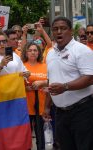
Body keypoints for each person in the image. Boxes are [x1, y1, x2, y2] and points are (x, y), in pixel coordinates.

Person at [44, 16, 93, 150]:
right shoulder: (50, 54)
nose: (59, 32)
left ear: (71, 31)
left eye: (63, 28)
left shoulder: (82, 50)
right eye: (55, 29)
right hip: (60, 113)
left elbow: (89, 78)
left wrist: (65, 87)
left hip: (82, 111)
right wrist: (47, 106)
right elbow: (51, 81)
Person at [21, 42, 47, 150]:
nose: (33, 52)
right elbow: (14, 84)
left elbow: (52, 81)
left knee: (40, 136)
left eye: (35, 50)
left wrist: (43, 83)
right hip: (25, 107)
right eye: (30, 50)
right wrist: (24, 88)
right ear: (26, 53)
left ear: (39, 52)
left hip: (41, 106)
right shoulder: (21, 66)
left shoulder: (45, 66)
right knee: (25, 137)